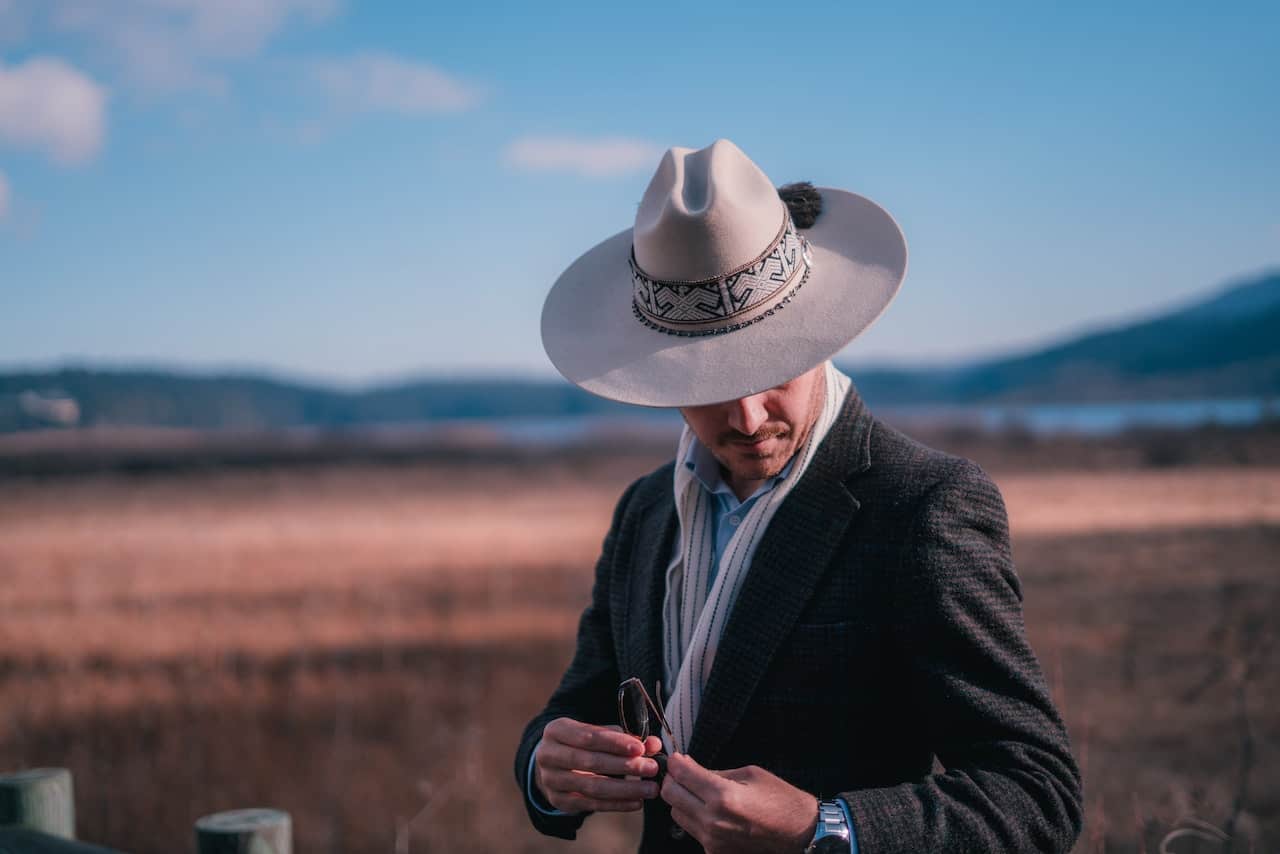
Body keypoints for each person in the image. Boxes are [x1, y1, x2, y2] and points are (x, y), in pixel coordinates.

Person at [514, 138, 1082, 853]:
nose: (747, 417)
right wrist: (546, 768)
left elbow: (1036, 794)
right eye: (708, 383)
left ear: (817, 333)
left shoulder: (923, 507)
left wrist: (827, 830)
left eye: (770, 367)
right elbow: (580, 708)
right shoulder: (645, 512)